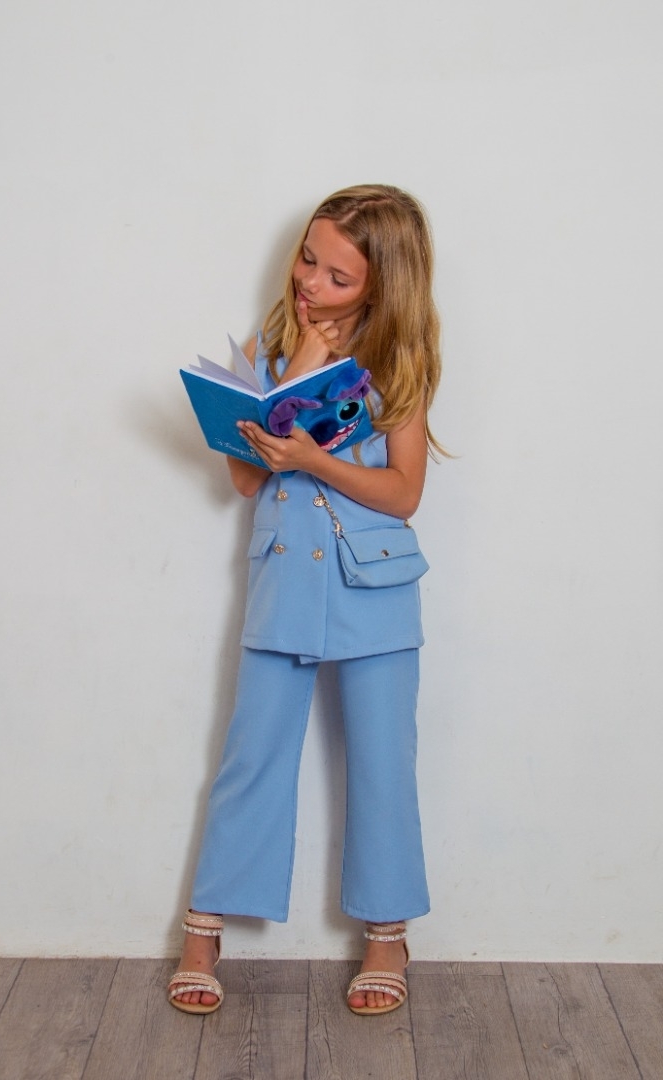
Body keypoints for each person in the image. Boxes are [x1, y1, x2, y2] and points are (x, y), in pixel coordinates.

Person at [169, 184, 445, 1017]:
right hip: (285, 580)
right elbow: (245, 479)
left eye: (337, 276)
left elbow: (403, 492)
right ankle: (202, 930)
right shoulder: (269, 346)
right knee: (252, 754)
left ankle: (387, 935)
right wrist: (295, 372)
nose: (310, 282)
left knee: (383, 764)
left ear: (382, 285)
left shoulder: (399, 362)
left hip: (376, 586)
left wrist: (317, 460)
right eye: (308, 260)